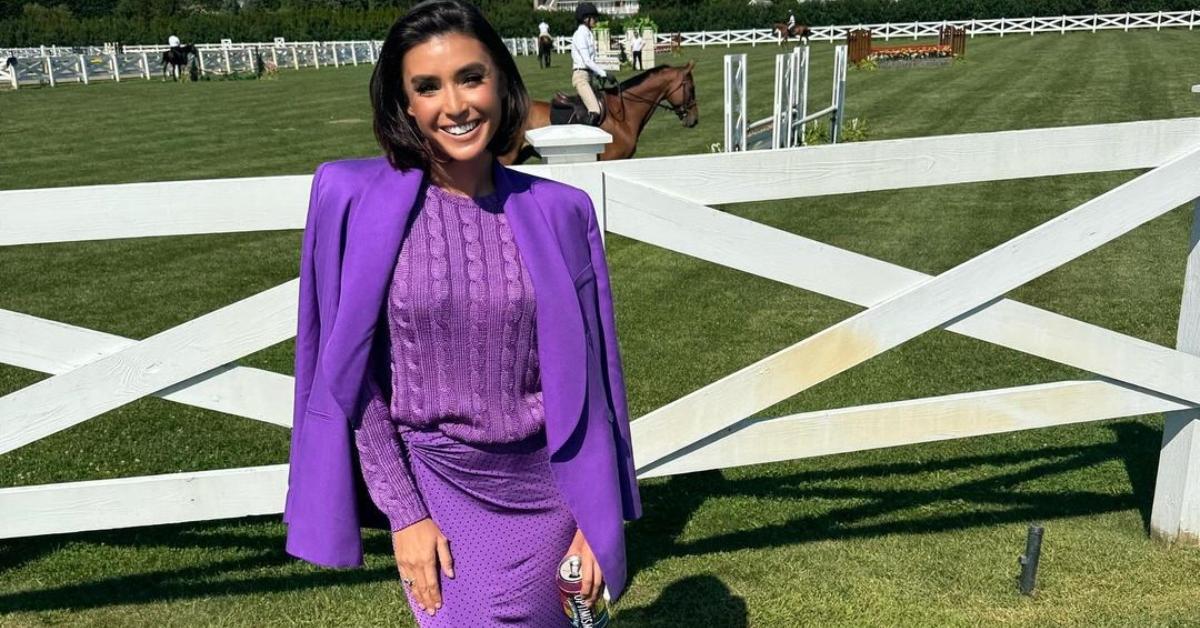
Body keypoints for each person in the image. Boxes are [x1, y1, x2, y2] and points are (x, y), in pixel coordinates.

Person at [281, 0, 642, 624]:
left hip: (551, 487)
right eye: (428, 87)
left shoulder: (563, 213)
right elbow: (350, 377)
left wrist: (596, 512)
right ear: (405, 105)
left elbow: (596, 380)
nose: (455, 105)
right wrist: (405, 512)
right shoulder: (353, 201)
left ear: (501, 83)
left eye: (470, 77)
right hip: (440, 483)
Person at [570, 2, 612, 126]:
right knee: (595, 110)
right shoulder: (580, 35)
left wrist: (597, 74)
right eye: (593, 18)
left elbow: (591, 61)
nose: (596, 21)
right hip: (581, 77)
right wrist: (604, 73)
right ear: (585, 19)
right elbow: (587, 60)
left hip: (589, 76)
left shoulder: (588, 34)